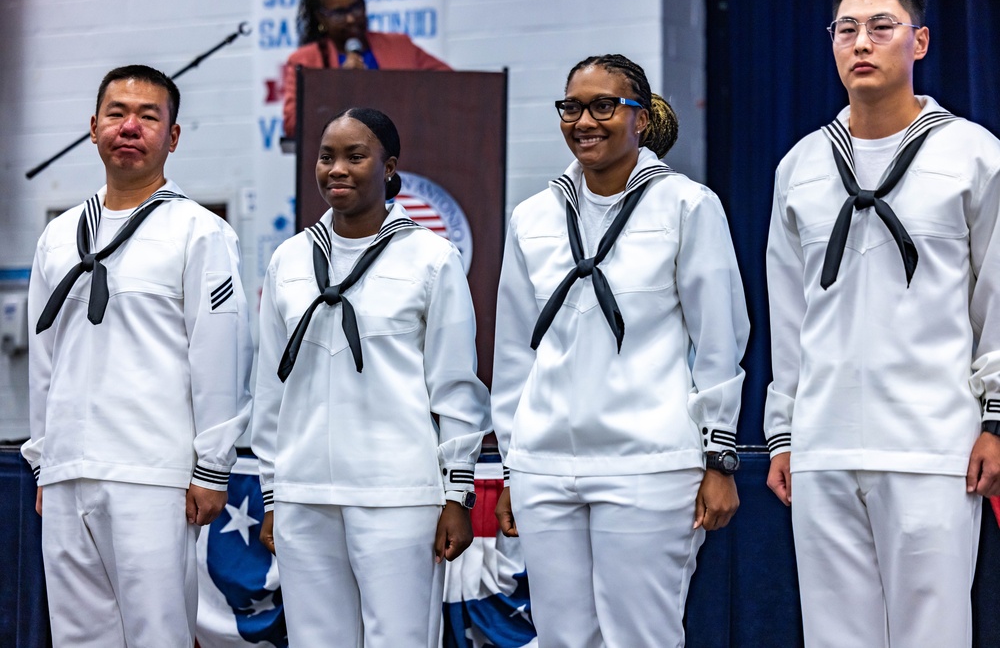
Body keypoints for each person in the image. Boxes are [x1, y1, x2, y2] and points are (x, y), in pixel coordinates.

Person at [764, 0, 1000, 645]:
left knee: (935, 632)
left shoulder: (973, 155)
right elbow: (788, 313)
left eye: (881, 26)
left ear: (919, 41)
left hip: (935, 443)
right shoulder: (802, 165)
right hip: (822, 442)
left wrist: (996, 419)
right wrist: (783, 430)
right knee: (833, 634)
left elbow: (997, 298)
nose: (862, 42)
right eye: (846, 29)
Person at [491, 54, 749, 647]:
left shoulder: (687, 205)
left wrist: (720, 458)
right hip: (546, 466)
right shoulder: (532, 217)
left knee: (642, 637)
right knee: (560, 637)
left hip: (649, 463)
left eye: (604, 105)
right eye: (573, 107)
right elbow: (513, 353)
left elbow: (719, 340)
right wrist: (512, 462)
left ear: (640, 117)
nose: (586, 120)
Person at [22, 64, 253, 647]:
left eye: (149, 117)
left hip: (154, 474)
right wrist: (46, 461)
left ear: (171, 137)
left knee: (157, 633)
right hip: (71, 470)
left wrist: (211, 467)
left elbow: (221, 353)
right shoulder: (59, 235)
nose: (130, 126)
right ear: (93, 126)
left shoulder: (200, 232)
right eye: (117, 113)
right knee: (78, 636)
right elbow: (44, 358)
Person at [252, 107, 490, 647]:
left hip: (398, 493)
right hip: (304, 492)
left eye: (355, 156)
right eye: (326, 156)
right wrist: (273, 493)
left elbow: (455, 385)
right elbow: (269, 386)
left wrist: (457, 492)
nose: (337, 169)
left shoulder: (432, 257)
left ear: (389, 166)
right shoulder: (288, 260)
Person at [282, 0, 451, 137]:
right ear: (321, 17)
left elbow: (451, 85)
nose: (350, 18)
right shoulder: (306, 61)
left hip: (403, 154)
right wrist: (339, 86)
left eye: (355, 7)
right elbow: (292, 125)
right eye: (339, 13)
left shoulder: (400, 46)